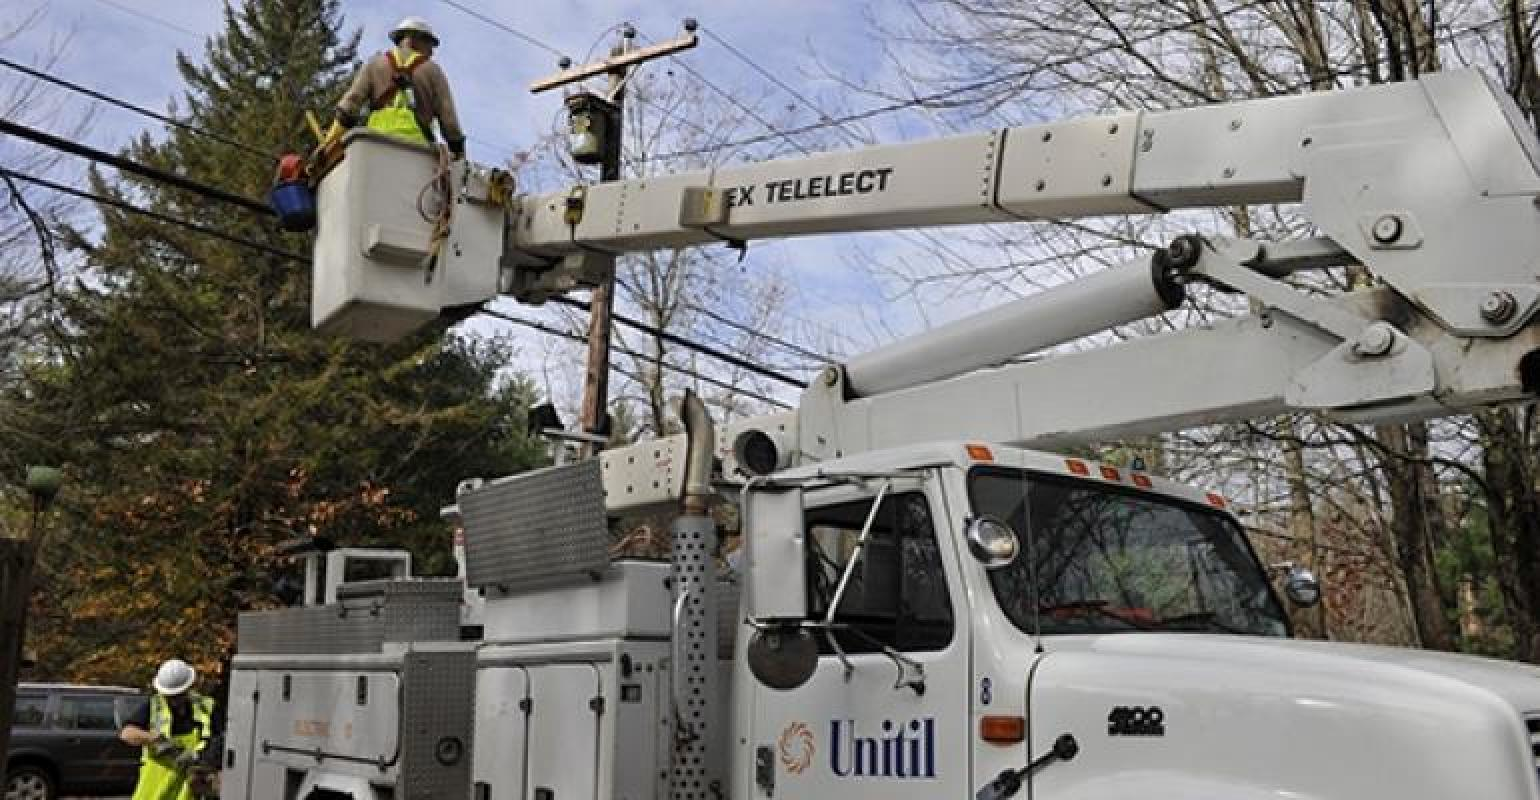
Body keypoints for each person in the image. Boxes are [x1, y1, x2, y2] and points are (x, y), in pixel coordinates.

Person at [334, 16, 467, 159]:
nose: (431, 52)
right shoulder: (433, 71)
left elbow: (348, 107)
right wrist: (459, 153)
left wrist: (332, 141)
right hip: (416, 150)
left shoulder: (375, 64)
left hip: (375, 144)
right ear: (413, 38)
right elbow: (449, 122)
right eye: (428, 43)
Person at [120, 659, 217, 800]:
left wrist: (200, 759)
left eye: (178, 696)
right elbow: (127, 733)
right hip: (155, 788)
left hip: (190, 787)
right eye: (170, 697)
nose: (173, 701)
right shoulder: (154, 706)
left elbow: (218, 741)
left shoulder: (206, 706)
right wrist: (154, 739)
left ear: (188, 689)